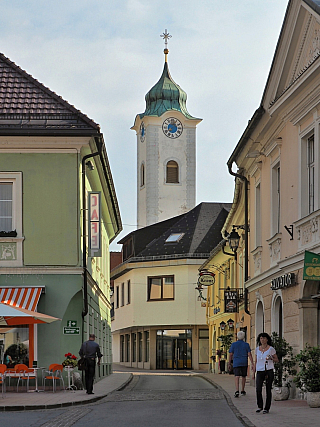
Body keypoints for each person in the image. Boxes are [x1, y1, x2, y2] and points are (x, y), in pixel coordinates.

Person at [253, 332, 279, 414]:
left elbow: (276, 359)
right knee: (258, 389)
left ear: (267, 339)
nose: (262, 340)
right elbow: (256, 360)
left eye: (264, 338)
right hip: (259, 370)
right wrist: (254, 371)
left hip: (268, 370)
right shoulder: (257, 349)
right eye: (261, 338)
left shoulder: (271, 349)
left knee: (268, 389)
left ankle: (267, 408)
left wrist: (271, 358)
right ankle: (259, 406)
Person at [228, 331, 254, 398]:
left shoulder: (234, 344)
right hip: (244, 362)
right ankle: (242, 390)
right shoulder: (246, 345)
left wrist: (229, 363)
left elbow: (231, 354)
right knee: (243, 376)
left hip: (236, 362)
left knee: (236, 376)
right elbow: (249, 354)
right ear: (244, 337)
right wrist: (252, 362)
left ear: (237, 336)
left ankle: (237, 390)